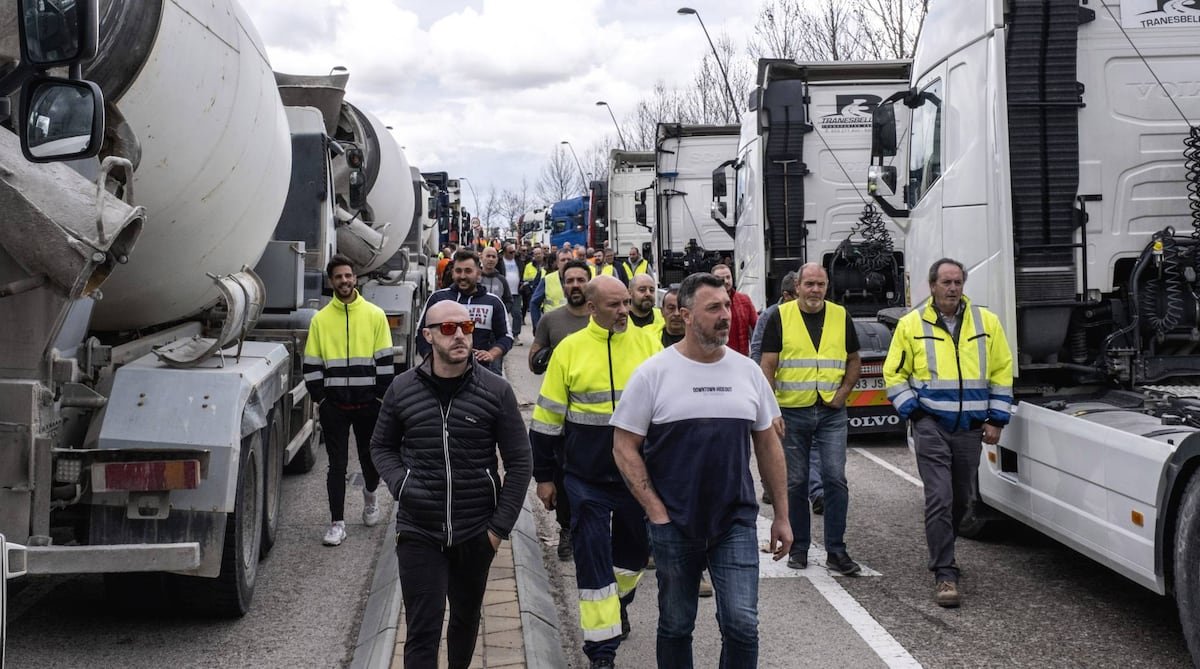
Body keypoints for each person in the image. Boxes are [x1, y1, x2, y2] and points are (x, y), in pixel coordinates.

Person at [611, 272, 792, 669]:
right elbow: (624, 447)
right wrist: (656, 511)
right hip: (674, 524)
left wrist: (781, 514)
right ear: (686, 315)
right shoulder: (653, 374)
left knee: (742, 625)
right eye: (714, 308)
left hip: (735, 522)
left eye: (727, 305)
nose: (725, 315)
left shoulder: (747, 373)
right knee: (676, 626)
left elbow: (767, 444)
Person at [369, 300, 531, 669]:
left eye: (465, 327)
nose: (459, 335)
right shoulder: (401, 389)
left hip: (476, 530)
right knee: (422, 630)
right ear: (427, 336)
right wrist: (401, 484)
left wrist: (497, 530)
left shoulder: (496, 391)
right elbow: (381, 445)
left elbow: (520, 463)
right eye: (447, 328)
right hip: (419, 530)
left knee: (465, 620)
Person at [530, 275, 662, 669]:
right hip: (584, 480)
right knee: (592, 565)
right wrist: (545, 476)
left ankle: (618, 603)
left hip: (636, 478)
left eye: (626, 303)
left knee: (634, 558)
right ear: (591, 308)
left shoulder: (647, 345)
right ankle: (601, 655)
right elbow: (546, 421)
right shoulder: (568, 351)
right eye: (614, 305)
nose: (624, 311)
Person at [884, 258, 1013, 608]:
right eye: (946, 282)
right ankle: (945, 572)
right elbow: (893, 374)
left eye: (957, 282)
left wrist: (997, 419)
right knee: (938, 498)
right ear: (932, 286)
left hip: (970, 429)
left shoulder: (987, 323)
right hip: (931, 426)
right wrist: (916, 412)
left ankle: (944, 548)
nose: (952, 288)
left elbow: (1002, 371)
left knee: (961, 500)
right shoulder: (911, 325)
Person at [759, 263, 862, 575]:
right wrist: (772, 410)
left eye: (821, 284)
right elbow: (767, 365)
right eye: (810, 285)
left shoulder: (840, 316)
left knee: (835, 479)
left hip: (831, 411)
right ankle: (799, 547)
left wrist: (844, 392)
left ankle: (836, 551)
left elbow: (854, 359)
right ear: (798, 286)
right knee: (796, 481)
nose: (815, 290)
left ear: (827, 286)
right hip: (792, 411)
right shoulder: (780, 316)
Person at [303, 254, 393, 546]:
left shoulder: (375, 315)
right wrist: (321, 399)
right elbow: (312, 363)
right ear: (331, 282)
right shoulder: (320, 320)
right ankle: (337, 523)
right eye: (339, 277)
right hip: (335, 407)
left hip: (368, 404)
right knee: (336, 465)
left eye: (348, 275)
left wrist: (380, 397)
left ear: (356, 278)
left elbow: (386, 362)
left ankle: (370, 495)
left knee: (370, 460)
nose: (344, 280)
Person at [527, 259, 593, 561]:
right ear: (563, 284)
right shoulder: (551, 321)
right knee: (565, 477)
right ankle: (567, 530)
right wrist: (554, 353)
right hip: (561, 415)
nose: (575, 285)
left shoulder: (601, 317)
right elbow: (533, 361)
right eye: (570, 280)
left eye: (581, 280)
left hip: (598, 415)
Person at [750, 271, 823, 512]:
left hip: (807, 398)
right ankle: (775, 488)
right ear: (787, 294)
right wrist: (764, 395)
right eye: (800, 291)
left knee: (809, 447)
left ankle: (816, 492)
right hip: (779, 396)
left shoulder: (814, 315)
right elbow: (758, 352)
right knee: (779, 448)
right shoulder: (771, 316)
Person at [416, 249, 512, 375]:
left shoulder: (493, 302)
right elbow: (421, 334)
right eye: (458, 271)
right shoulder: (438, 299)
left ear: (478, 273)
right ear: (452, 273)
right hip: (442, 374)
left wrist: (491, 354)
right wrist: (430, 360)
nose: (462, 276)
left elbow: (506, 337)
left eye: (468, 271)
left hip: (480, 373)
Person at [712, 264, 757, 357]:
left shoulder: (744, 300)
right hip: (715, 356)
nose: (726, 281)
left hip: (741, 356)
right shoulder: (707, 302)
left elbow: (758, 326)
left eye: (728, 277)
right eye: (720, 278)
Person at [530, 249, 575, 331]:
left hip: (574, 325)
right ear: (557, 263)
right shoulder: (547, 280)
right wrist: (537, 326)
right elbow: (534, 303)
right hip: (552, 326)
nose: (566, 262)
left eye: (569, 259)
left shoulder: (580, 280)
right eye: (563, 260)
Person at [499, 244, 525, 344]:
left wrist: (522, 283)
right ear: (505, 252)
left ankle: (515, 335)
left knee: (517, 314)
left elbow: (522, 274)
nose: (513, 254)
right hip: (504, 293)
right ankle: (502, 334)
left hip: (516, 292)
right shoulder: (500, 262)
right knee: (502, 314)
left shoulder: (519, 262)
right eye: (510, 252)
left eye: (514, 252)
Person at [628, 274, 665, 338]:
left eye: (652, 290)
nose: (648, 294)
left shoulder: (663, 317)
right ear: (630, 293)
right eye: (642, 290)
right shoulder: (620, 319)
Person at [521, 246, 546, 324]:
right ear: (533, 256)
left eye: (539, 253)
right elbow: (525, 278)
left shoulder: (547, 265)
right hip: (532, 289)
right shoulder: (528, 266)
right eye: (536, 254)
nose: (538, 255)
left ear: (543, 254)